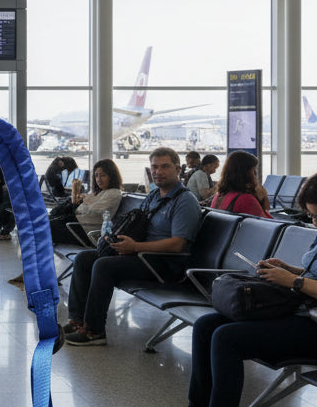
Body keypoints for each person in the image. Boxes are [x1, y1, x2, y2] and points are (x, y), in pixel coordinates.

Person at [155, 173, 317, 407]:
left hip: (313, 327)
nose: (314, 223)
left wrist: (293, 282)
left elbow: (305, 283)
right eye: (312, 217)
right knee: (207, 326)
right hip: (302, 313)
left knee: (228, 338)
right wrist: (287, 268)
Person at [63, 147, 202, 347]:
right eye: (154, 167)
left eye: (165, 167)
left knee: (104, 266)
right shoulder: (154, 196)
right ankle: (77, 321)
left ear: (177, 169)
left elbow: (178, 244)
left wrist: (135, 246)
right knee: (85, 258)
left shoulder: (185, 201)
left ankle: (94, 331)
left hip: (166, 264)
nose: (158, 172)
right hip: (142, 256)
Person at [52, 159, 123, 244]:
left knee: (43, 228)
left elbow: (93, 210)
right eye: (96, 176)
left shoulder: (113, 193)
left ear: (112, 176)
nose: (99, 179)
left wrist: (83, 202)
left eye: (103, 175)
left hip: (84, 231)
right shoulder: (97, 193)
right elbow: (85, 208)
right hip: (75, 225)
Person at [208, 151, 271, 218]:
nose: (255, 174)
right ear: (246, 173)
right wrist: (264, 197)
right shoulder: (245, 199)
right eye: (253, 170)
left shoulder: (218, 196)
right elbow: (268, 224)